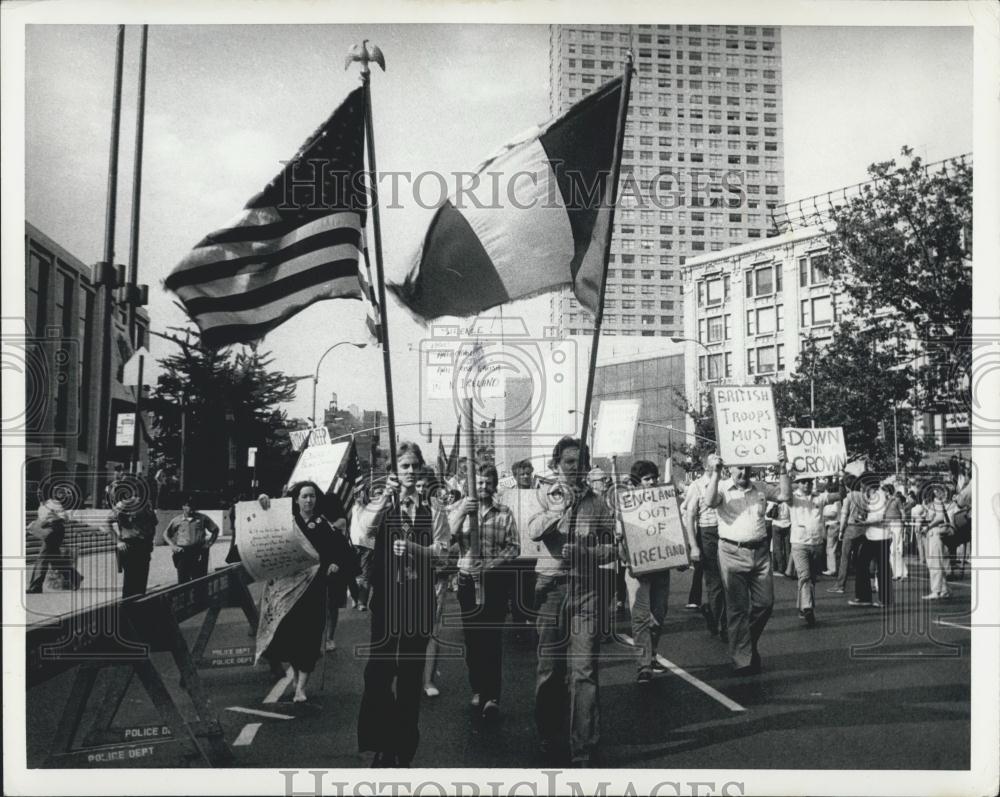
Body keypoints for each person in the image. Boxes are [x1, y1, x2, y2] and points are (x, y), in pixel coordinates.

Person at [356, 442, 450, 768]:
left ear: (421, 468)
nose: (410, 473)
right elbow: (362, 532)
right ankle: (382, 741)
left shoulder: (433, 507)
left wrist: (412, 548)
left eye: (414, 466)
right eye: (404, 467)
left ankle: (402, 747)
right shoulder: (382, 503)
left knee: (410, 677)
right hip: (386, 599)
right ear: (394, 470)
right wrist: (383, 499)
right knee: (379, 672)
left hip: (417, 599)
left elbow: (442, 552)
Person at [528, 436, 615, 767]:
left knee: (584, 671)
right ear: (556, 465)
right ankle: (549, 735)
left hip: (587, 592)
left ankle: (583, 747)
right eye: (568, 463)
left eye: (580, 463)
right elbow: (533, 530)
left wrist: (587, 552)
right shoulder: (543, 494)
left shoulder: (597, 503)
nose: (575, 469)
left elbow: (612, 546)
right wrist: (560, 508)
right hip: (552, 590)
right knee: (549, 671)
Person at [255, 481, 357, 703]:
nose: (309, 500)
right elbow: (264, 519)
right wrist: (263, 498)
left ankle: (301, 687)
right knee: (291, 636)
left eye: (312, 496)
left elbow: (342, 552)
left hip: (315, 588)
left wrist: (335, 564)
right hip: (290, 590)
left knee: (310, 637)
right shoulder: (287, 523)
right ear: (297, 499)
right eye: (304, 496)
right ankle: (295, 672)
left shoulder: (324, 525)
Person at [702, 451, 791, 674]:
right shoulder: (722, 487)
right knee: (737, 608)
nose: (744, 472)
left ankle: (744, 644)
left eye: (748, 468)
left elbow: (784, 496)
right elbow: (709, 501)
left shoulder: (760, 487)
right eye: (739, 468)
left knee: (765, 603)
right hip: (732, 552)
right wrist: (714, 473)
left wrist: (782, 468)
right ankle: (742, 659)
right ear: (730, 469)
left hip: (760, 553)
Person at [449, 463, 519, 719]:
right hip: (467, 580)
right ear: (471, 484)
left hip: (494, 582)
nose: (484, 487)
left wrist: (490, 565)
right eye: (479, 482)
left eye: (488, 482)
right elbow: (446, 538)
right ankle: (477, 688)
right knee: (473, 639)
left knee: (491, 639)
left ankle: (492, 696)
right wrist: (461, 514)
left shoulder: (504, 512)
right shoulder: (461, 510)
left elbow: (514, 547)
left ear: (495, 484)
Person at [622, 460, 675, 684]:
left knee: (659, 614)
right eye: (646, 479)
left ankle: (652, 655)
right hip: (637, 570)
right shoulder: (625, 505)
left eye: (654, 477)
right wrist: (628, 558)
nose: (652, 482)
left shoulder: (666, 502)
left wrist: (680, 554)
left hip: (661, 568)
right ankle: (643, 665)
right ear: (637, 483)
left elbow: (673, 530)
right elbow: (619, 537)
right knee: (641, 616)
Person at [420, 467, 457, 698]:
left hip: (433, 576)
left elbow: (442, 547)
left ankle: (428, 680)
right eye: (416, 484)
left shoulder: (437, 509)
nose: (420, 489)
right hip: (402, 578)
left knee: (431, 629)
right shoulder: (396, 507)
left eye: (425, 485)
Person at [684, 454, 728, 643]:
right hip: (707, 533)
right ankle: (718, 618)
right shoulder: (697, 485)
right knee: (715, 581)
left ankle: (723, 620)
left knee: (730, 580)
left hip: (726, 531)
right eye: (714, 461)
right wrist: (693, 545)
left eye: (720, 460)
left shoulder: (725, 483)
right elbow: (690, 516)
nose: (719, 463)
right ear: (706, 466)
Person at [782, 475, 837, 626]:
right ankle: (808, 608)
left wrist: (839, 477)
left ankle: (803, 606)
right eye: (803, 482)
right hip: (799, 543)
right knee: (804, 575)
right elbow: (785, 493)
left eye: (809, 482)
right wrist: (784, 472)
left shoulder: (819, 497)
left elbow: (840, 495)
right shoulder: (793, 498)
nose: (806, 484)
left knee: (811, 578)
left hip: (817, 542)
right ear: (798, 483)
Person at [497, 459, 544, 628]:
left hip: (534, 551)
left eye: (528, 474)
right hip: (514, 550)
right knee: (517, 591)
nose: (525, 477)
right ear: (515, 476)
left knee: (532, 590)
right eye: (521, 474)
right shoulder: (507, 495)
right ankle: (519, 627)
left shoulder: (539, 495)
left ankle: (530, 622)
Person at [108, 475, 158, 598]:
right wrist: (118, 541)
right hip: (130, 546)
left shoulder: (147, 505)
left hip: (144, 546)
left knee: (142, 582)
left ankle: (139, 610)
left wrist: (150, 541)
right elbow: (107, 522)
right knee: (130, 582)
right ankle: (127, 611)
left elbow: (153, 524)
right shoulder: (124, 505)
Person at [163, 495, 220, 584]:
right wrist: (173, 546)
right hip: (183, 552)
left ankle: (199, 597)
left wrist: (208, 544)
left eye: (193, 505)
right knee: (183, 581)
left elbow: (215, 530)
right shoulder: (177, 520)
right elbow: (166, 534)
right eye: (189, 505)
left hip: (199, 551)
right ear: (183, 507)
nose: (192, 507)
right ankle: (185, 598)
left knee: (200, 580)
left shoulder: (202, 518)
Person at [828, 474, 868, 595]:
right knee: (862, 559)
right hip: (863, 528)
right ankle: (865, 585)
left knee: (845, 558)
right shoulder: (865, 497)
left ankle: (840, 585)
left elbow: (844, 514)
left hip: (851, 528)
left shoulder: (848, 497)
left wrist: (841, 530)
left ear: (846, 485)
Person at [27, 487, 69, 593]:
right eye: (38, 493)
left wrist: (56, 516)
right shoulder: (42, 505)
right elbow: (42, 519)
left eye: (41, 492)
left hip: (55, 530)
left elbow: (64, 517)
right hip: (47, 530)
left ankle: (35, 587)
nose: (39, 494)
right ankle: (74, 577)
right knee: (55, 559)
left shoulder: (53, 503)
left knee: (42, 557)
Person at [922, 483, 953, 600]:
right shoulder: (935, 503)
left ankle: (936, 590)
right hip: (936, 533)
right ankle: (944, 589)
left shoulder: (936, 502)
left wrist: (928, 526)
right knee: (938, 562)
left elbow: (939, 517)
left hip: (935, 533)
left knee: (934, 563)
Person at [821, 478, 843, 576]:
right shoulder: (837, 501)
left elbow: (833, 514)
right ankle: (836, 567)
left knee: (830, 548)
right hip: (834, 525)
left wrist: (822, 515)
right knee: (835, 548)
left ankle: (832, 569)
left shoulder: (835, 502)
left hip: (832, 525)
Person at [769, 499, 791, 577]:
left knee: (777, 548)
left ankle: (780, 568)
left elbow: (768, 513)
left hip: (776, 524)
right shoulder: (788, 502)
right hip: (787, 525)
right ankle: (789, 568)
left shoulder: (774, 502)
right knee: (788, 548)